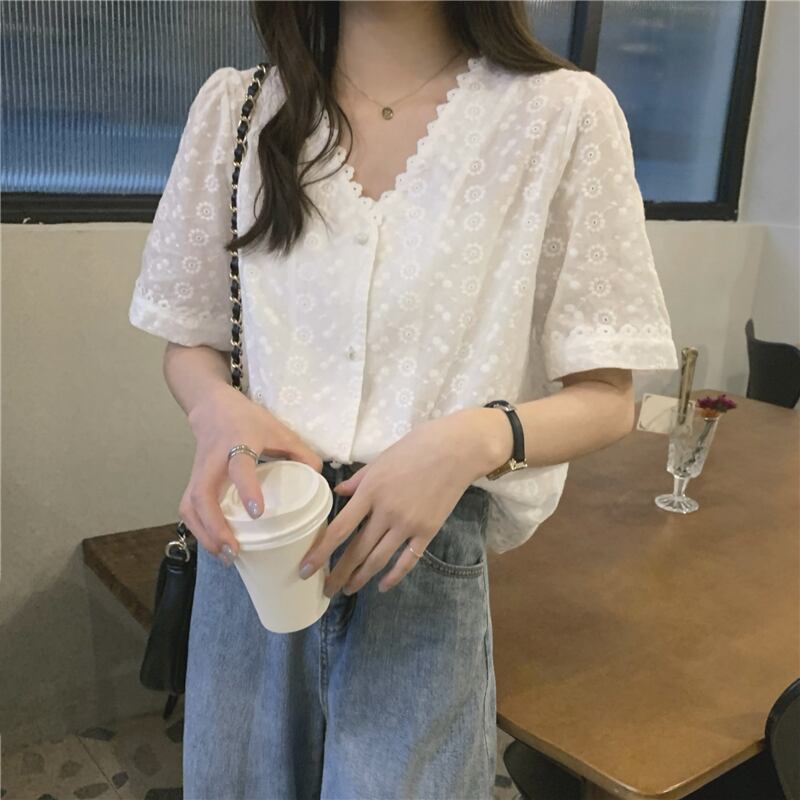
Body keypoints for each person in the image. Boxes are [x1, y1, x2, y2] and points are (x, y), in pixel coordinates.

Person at [127, 2, 679, 798]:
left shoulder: (560, 115)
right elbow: (191, 339)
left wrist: (471, 440)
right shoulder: (238, 110)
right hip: (253, 540)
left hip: (419, 561)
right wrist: (216, 408)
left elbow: (609, 395)